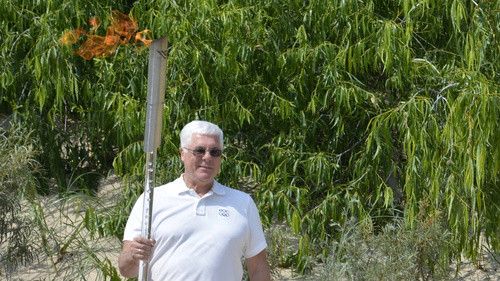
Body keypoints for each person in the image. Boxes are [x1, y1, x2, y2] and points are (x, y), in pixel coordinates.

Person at [118, 120, 271, 281]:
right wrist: (134, 256)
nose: (207, 157)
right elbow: (126, 270)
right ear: (182, 153)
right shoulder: (152, 199)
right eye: (199, 151)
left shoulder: (242, 203)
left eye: (215, 152)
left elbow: (258, 268)